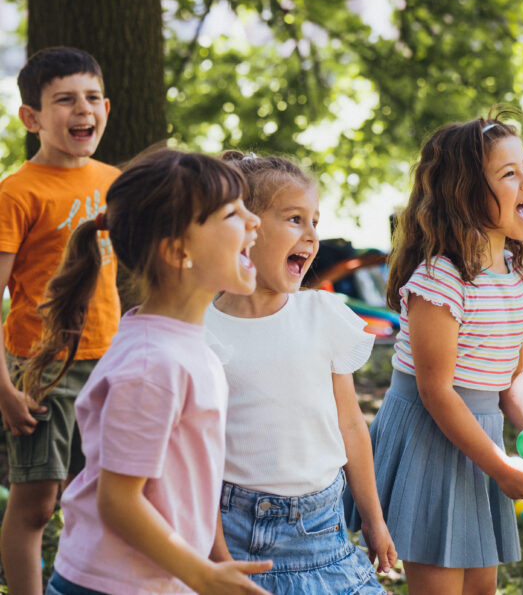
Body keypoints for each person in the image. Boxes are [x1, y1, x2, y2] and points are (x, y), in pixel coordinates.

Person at [22, 149, 271, 594]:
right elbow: (118, 501)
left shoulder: (186, 347)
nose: (254, 222)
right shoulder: (152, 364)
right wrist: (202, 576)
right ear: (179, 251)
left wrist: (215, 561)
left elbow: (194, 475)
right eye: (233, 212)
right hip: (113, 585)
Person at [350, 114, 523, 594]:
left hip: (478, 438)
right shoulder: (440, 279)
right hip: (432, 438)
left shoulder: (516, 274)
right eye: (509, 174)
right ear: (465, 194)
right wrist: (501, 466)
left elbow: (514, 377)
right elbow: (435, 389)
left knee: (482, 587)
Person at [204, 152, 395, 593]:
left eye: (315, 222)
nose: (311, 236)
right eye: (294, 219)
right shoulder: (202, 329)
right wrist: (216, 558)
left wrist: (373, 520)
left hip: (321, 532)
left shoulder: (323, 314)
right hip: (231, 532)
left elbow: (350, 424)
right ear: (244, 227)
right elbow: (199, 455)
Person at [0, 47, 121, 594]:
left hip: (112, 363)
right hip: (42, 368)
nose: (83, 110)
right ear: (31, 117)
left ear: (107, 108)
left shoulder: (116, 183)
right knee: (37, 505)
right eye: (65, 100)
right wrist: (3, 387)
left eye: (92, 97)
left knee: (102, 496)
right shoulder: (17, 192)